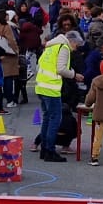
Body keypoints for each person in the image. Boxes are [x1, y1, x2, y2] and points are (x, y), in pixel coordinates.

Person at [33, 26, 77, 162]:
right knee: (55, 119)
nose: (76, 48)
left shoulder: (51, 46)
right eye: (76, 45)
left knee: (47, 117)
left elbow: (39, 65)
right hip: (51, 87)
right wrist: (74, 74)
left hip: (41, 85)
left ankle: (45, 148)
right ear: (72, 41)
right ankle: (50, 151)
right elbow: (61, 69)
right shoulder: (63, 48)